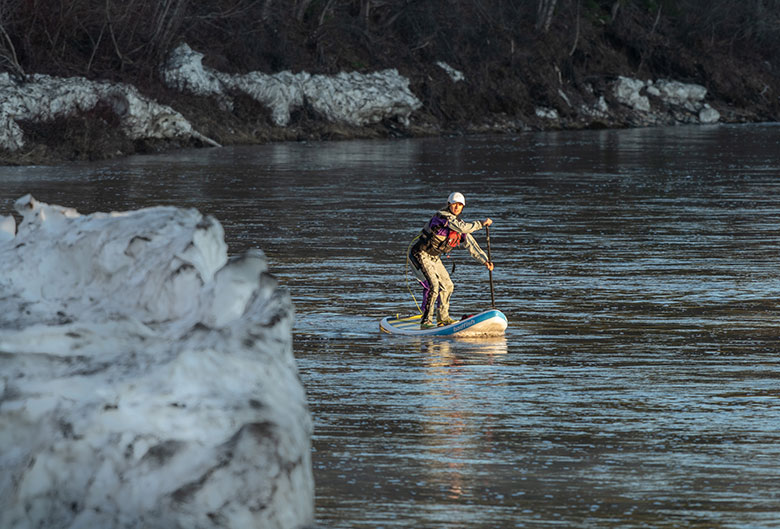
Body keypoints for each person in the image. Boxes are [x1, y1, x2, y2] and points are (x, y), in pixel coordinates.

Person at [408, 192, 494, 329]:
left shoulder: (459, 226)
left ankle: (443, 319)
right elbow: (462, 227)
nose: (457, 207)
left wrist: (485, 260)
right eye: (454, 204)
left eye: (460, 205)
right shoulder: (442, 217)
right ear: (449, 204)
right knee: (434, 286)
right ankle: (426, 321)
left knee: (448, 286)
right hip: (420, 253)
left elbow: (471, 245)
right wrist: (482, 223)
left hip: (434, 258)